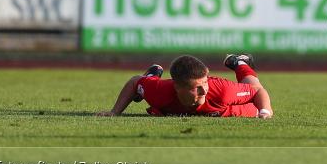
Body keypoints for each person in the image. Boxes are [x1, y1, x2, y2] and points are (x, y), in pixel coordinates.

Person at [97, 53, 273, 118]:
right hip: (159, 87)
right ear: (177, 88)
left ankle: (240, 63)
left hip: (232, 107)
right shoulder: (161, 92)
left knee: (253, 83)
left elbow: (258, 92)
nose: (204, 89)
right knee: (146, 85)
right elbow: (135, 81)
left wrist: (266, 111)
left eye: (205, 82)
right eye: (196, 87)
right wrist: (115, 112)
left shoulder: (220, 90)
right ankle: (152, 74)